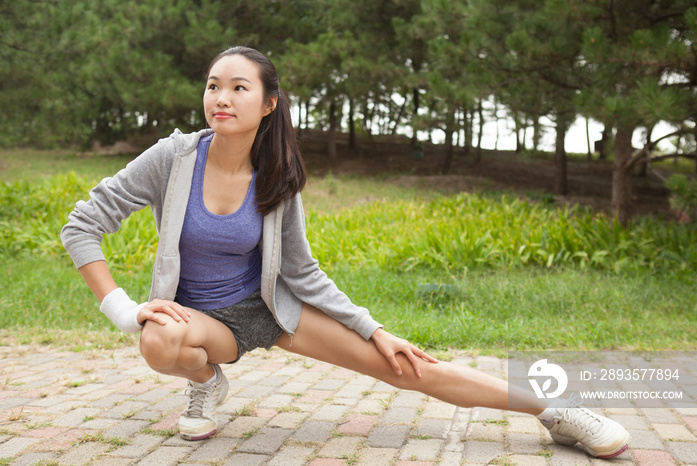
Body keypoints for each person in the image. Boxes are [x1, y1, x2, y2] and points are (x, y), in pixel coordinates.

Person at [61, 45, 630, 458]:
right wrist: (124, 307)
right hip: (202, 321)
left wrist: (375, 329)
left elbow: (303, 272)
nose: (222, 97)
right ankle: (207, 382)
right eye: (213, 85)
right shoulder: (173, 158)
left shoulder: (278, 176)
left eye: (239, 87)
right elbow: (83, 225)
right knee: (158, 340)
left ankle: (555, 413)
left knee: (406, 368)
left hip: (270, 309)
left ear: (268, 104)